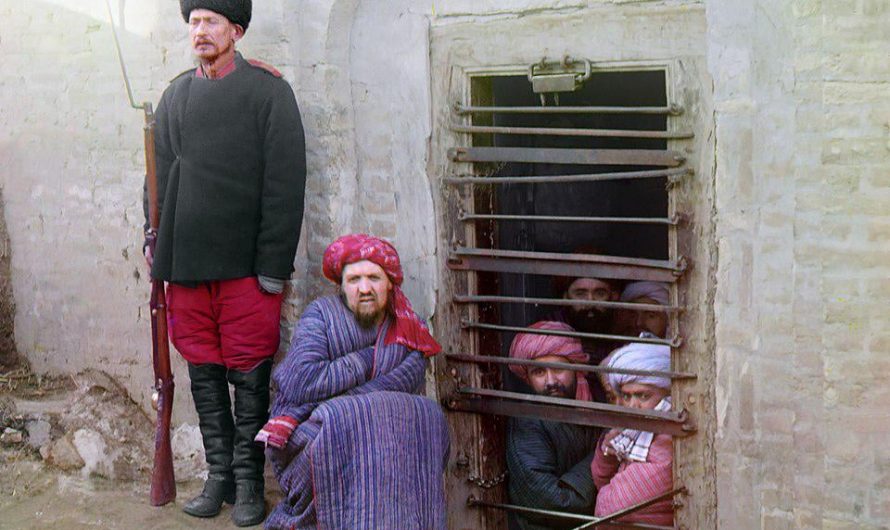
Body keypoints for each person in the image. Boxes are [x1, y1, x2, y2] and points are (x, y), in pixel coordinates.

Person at [143, 0, 306, 525]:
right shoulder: (176, 95)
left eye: (211, 22)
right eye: (194, 22)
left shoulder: (268, 93)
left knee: (250, 376)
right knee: (204, 373)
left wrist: (272, 265)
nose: (200, 31)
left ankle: (250, 481)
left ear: (236, 30)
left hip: (245, 269)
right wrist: (153, 240)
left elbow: (285, 185)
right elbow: (156, 178)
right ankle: (219, 477)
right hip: (187, 265)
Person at [258, 234, 448, 529]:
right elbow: (301, 381)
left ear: (390, 283)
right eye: (354, 280)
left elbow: (406, 384)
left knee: (426, 416)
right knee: (354, 421)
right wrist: (366, 360)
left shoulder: (411, 329)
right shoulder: (320, 316)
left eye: (374, 278)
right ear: (342, 285)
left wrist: (349, 407)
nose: (365, 289)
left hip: (386, 432)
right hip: (314, 428)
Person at [505, 321, 600, 530]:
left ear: (576, 369)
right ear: (528, 378)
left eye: (558, 368)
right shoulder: (528, 421)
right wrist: (603, 456)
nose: (550, 381)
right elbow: (550, 502)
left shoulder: (597, 404)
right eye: (539, 372)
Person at [591, 343, 674, 526]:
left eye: (643, 396)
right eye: (627, 396)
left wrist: (607, 490)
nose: (632, 406)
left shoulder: (667, 441)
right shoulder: (634, 432)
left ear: (668, 393)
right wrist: (607, 455)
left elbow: (611, 508)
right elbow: (598, 480)